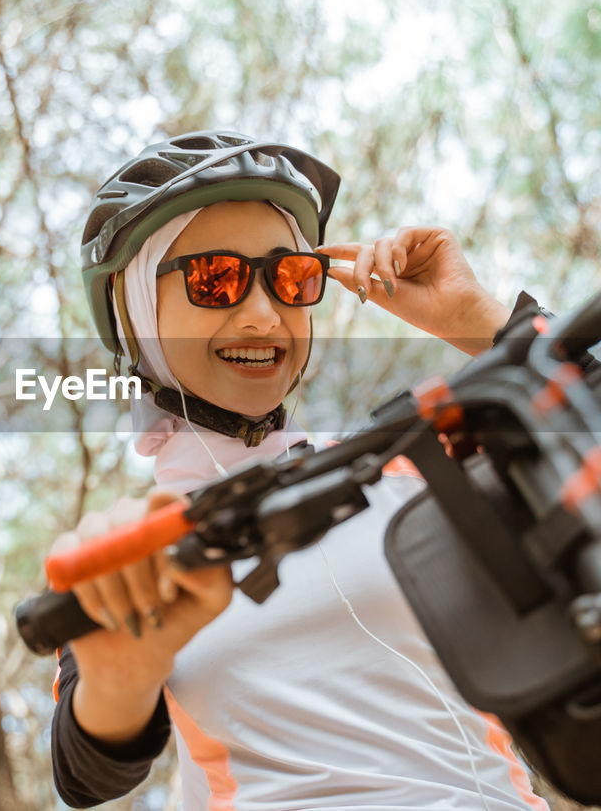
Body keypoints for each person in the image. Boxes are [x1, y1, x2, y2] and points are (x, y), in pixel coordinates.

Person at [49, 130, 552, 810]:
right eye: (214, 278)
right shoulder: (132, 548)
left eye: (290, 279)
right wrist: (120, 678)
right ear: (138, 313)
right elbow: (86, 774)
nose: (263, 315)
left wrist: (480, 321)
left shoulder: (413, 466)